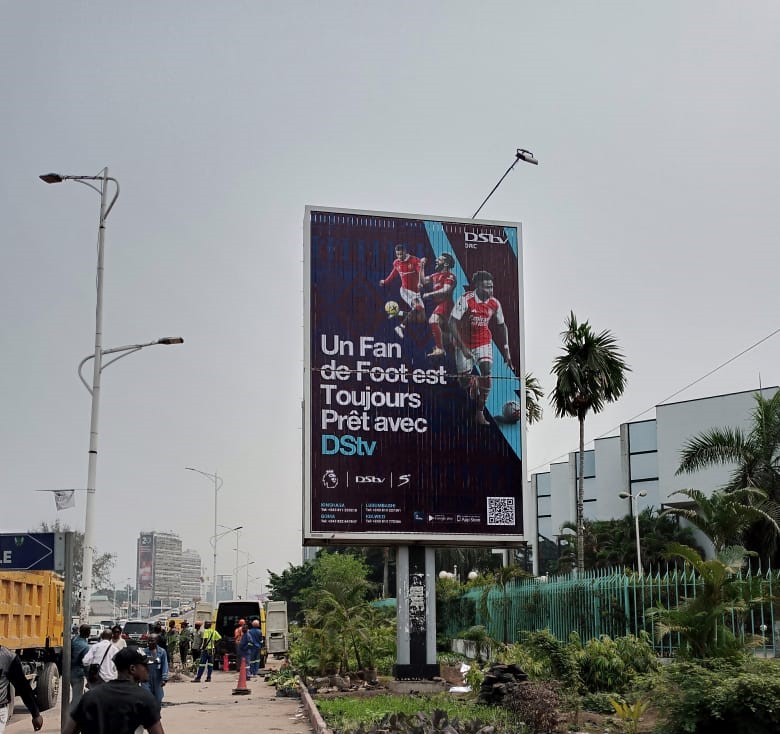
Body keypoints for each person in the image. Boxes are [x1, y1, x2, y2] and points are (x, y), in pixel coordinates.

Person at [450, 271, 514, 426]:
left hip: (483, 341)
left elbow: (502, 325)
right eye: (486, 287)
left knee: (486, 369)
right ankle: (472, 381)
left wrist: (506, 350)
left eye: (491, 287)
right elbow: (452, 322)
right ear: (477, 286)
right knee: (463, 382)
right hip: (463, 343)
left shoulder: (494, 303)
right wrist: (463, 347)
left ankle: (480, 411)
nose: (490, 290)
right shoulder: (466, 300)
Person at [63, 646, 164, 734]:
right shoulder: (144, 698)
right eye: (145, 665)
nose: (148, 669)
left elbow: (69, 731)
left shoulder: (90, 696)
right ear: (132, 669)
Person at [379, 244, 426, 339]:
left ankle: (397, 313)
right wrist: (385, 281)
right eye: (397, 254)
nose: (399, 256)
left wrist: (420, 281)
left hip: (416, 293)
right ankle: (400, 327)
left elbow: (420, 272)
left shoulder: (415, 260)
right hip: (405, 291)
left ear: (405, 252)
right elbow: (393, 273)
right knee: (417, 307)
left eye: (401, 254)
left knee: (421, 319)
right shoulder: (396, 263)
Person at [0, 644, 43, 733]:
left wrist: (35, 714)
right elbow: (23, 687)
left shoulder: (9, 658)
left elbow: (23, 687)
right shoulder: (9, 657)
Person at [420, 252, 457, 357]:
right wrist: (422, 266)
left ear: (446, 264)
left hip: (447, 304)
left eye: (439, 259)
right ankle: (451, 347)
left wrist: (429, 294)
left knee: (433, 321)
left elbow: (446, 290)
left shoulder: (450, 276)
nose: (436, 260)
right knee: (446, 333)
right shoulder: (435, 275)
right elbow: (423, 281)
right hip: (440, 305)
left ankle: (440, 349)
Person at [142, 635, 168, 705]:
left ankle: (156, 710)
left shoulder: (162, 652)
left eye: (152, 641)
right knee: (147, 696)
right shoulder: (144, 652)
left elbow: (165, 665)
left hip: (157, 678)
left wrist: (164, 678)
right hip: (147, 677)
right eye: (149, 640)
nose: (150, 642)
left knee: (158, 697)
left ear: (157, 641)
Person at [70, 624, 91, 709]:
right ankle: (69, 713)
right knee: (77, 698)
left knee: (76, 696)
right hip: (78, 674)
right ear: (88, 633)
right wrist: (89, 679)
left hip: (70, 671)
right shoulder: (85, 647)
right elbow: (86, 664)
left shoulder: (74, 639)